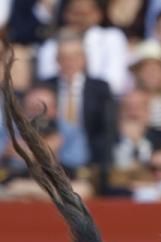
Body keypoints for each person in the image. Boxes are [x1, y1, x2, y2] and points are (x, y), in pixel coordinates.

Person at [42, 32, 112, 167]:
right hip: (52, 156)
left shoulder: (100, 88)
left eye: (75, 57)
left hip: (90, 158)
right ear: (57, 60)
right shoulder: (46, 86)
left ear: (84, 59)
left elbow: (107, 130)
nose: (69, 62)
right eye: (64, 58)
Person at [35, 0, 129, 92]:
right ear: (65, 14)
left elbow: (115, 83)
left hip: (102, 99)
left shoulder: (112, 37)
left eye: (85, 14)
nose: (79, 19)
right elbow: (46, 83)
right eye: (75, 13)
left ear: (98, 14)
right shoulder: (52, 43)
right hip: (62, 99)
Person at [111, 89, 161, 170]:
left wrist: (137, 142)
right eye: (128, 108)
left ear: (148, 112)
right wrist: (128, 142)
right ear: (120, 112)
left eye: (138, 108)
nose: (133, 113)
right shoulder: (107, 140)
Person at [128, 40, 161, 134]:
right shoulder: (130, 101)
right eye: (147, 69)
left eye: (156, 69)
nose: (151, 74)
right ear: (138, 72)